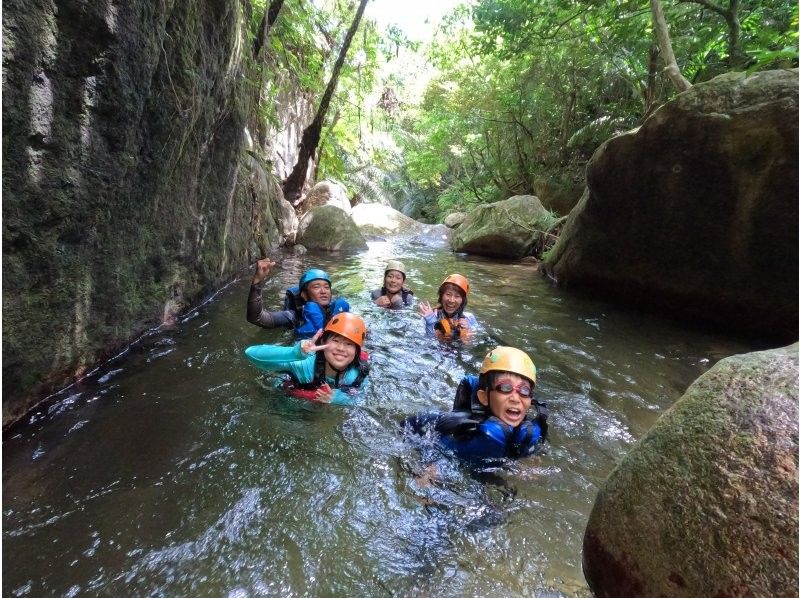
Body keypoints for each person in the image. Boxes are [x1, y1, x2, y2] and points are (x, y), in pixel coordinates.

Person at [404, 346, 547, 461]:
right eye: (505, 388)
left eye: (524, 390)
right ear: (484, 396)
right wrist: (429, 469)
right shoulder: (461, 430)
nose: (516, 398)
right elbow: (432, 446)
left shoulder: (528, 431)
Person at [244, 312, 370, 405]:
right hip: (288, 402)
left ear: (357, 351)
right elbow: (251, 353)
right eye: (336, 341)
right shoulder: (305, 363)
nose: (341, 348)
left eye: (349, 344)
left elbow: (360, 399)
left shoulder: (358, 372)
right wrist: (295, 353)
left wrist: (334, 398)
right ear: (323, 342)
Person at [247, 259, 350, 338]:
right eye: (316, 287)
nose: (323, 291)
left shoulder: (339, 312)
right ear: (304, 295)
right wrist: (257, 283)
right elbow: (256, 317)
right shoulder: (293, 317)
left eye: (327, 287)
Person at [418, 273, 478, 339]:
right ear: (441, 296)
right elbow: (425, 344)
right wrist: (430, 324)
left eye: (457, 296)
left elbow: (472, 344)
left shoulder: (470, 319)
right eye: (448, 294)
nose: (451, 300)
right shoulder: (429, 317)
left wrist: (467, 330)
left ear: (463, 300)